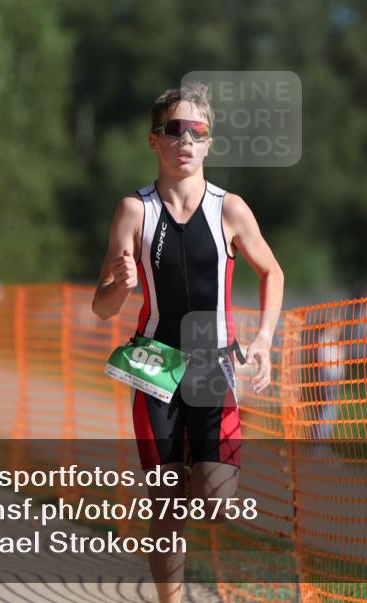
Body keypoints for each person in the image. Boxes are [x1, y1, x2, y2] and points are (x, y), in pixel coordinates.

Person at [91, 82, 284, 603]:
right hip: (153, 361)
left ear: (208, 143)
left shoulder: (230, 210)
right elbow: (101, 306)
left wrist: (264, 339)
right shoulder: (134, 210)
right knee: (165, 501)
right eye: (174, 129)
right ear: (154, 140)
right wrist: (120, 285)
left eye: (196, 131)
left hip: (211, 364)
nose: (185, 139)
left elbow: (272, 272)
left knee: (218, 499)